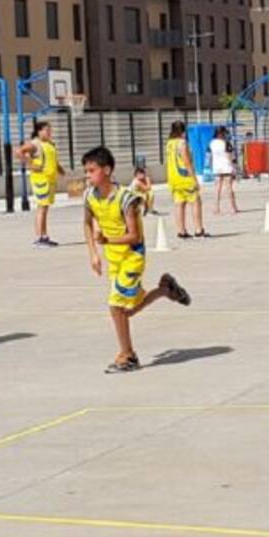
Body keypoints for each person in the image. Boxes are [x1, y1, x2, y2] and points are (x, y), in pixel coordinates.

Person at [81, 146, 190, 373]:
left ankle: (128, 355)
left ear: (107, 170)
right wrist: (93, 253)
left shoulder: (126, 199)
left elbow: (135, 235)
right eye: (86, 171)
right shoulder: (89, 196)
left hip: (132, 256)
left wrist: (108, 239)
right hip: (114, 259)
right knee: (125, 311)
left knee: (116, 307)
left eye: (91, 170)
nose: (87, 175)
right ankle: (165, 290)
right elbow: (86, 223)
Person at [17, 118, 64, 247]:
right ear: (39, 131)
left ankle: (44, 236)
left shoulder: (50, 144)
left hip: (50, 179)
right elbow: (19, 151)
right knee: (41, 208)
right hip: (40, 180)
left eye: (50, 130)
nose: (49, 132)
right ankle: (39, 238)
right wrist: (30, 164)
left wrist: (61, 171)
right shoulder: (35, 144)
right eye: (47, 130)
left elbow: (54, 160)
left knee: (45, 208)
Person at [165, 121, 207, 238]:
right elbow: (187, 162)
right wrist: (194, 179)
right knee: (195, 202)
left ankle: (181, 231)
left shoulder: (169, 143)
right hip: (184, 177)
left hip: (173, 178)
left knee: (179, 204)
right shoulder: (182, 143)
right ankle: (198, 230)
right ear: (183, 131)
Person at [209, 126, 240, 215]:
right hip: (226, 167)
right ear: (222, 134)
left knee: (217, 189)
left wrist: (211, 167)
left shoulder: (211, 143)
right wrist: (234, 167)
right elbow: (230, 157)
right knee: (229, 188)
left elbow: (209, 156)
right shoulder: (226, 143)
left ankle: (216, 208)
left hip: (217, 168)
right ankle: (233, 208)